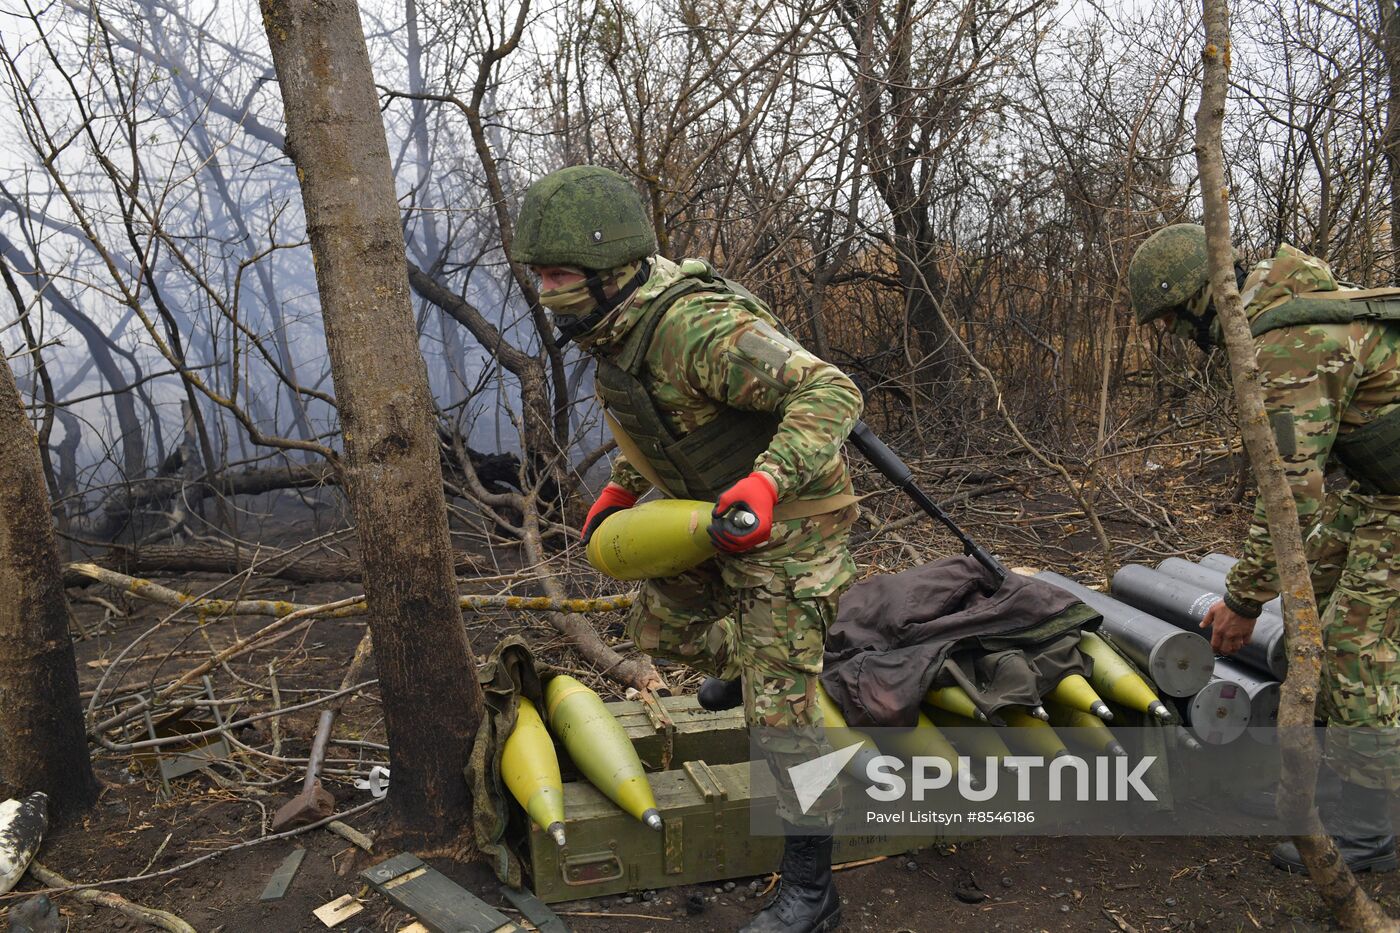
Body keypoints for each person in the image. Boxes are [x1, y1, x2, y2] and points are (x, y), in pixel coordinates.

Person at [511, 164, 862, 932]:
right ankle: (748, 663)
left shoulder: (695, 326)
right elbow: (672, 419)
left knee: (782, 718)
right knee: (659, 630)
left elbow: (831, 390)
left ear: (610, 272)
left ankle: (812, 890)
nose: (547, 291)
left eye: (561, 275)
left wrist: (768, 483)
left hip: (795, 520)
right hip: (714, 511)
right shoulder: (618, 327)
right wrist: (622, 486)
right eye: (538, 275)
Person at [1128, 223, 1400, 873]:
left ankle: (1366, 831)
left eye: (1170, 319)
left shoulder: (1287, 344)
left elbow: (1290, 500)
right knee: (1317, 617)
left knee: (1352, 647)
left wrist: (1243, 601)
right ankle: (1334, 782)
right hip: (1378, 490)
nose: (1172, 335)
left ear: (1196, 296)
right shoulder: (1279, 313)